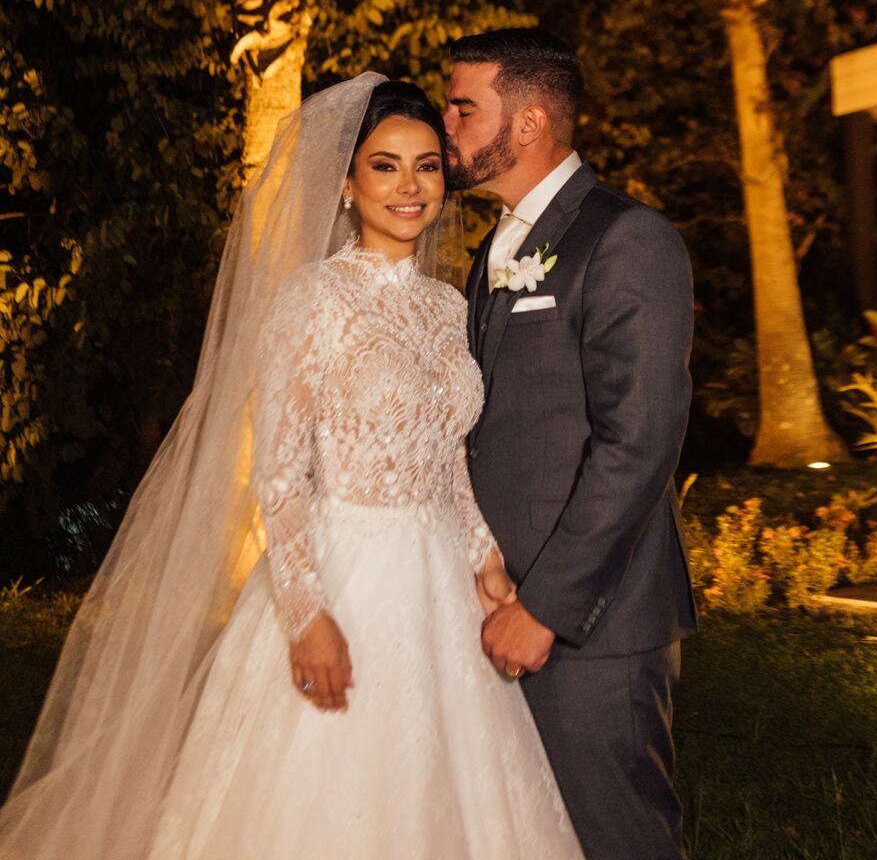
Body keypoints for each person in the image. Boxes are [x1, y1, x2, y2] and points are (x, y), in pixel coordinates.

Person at [0, 74, 581, 860]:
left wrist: (482, 558)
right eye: (384, 166)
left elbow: (447, 457)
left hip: (440, 582)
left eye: (426, 166)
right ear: (346, 182)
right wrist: (305, 615)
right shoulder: (310, 300)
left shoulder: (450, 309)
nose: (409, 187)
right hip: (342, 576)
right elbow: (278, 475)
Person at [445, 30, 698, 860]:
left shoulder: (627, 239)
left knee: (614, 837)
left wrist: (545, 605)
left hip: (592, 619)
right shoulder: (495, 249)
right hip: (498, 603)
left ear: (527, 124)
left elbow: (639, 442)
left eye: (462, 107)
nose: (446, 125)